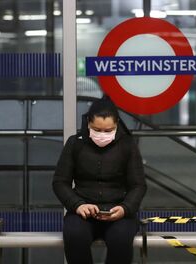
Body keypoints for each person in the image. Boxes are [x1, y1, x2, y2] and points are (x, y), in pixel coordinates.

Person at [52, 97, 147, 264]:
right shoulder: (75, 143)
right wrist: (78, 204)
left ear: (117, 124)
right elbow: (60, 181)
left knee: (120, 240)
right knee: (74, 236)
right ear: (88, 123)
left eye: (108, 130)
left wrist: (125, 208)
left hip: (119, 212)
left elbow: (138, 185)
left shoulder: (127, 144)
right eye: (97, 129)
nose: (102, 135)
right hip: (82, 212)